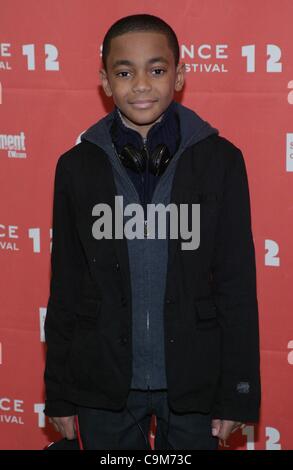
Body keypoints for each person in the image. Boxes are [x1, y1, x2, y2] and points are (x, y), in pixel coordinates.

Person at [43, 13, 261, 450]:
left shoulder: (221, 161)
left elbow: (237, 285)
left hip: (195, 381)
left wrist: (239, 394)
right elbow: (65, 284)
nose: (140, 84)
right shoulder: (76, 167)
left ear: (179, 75)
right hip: (102, 382)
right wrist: (59, 393)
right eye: (124, 72)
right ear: (105, 81)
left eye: (156, 70)